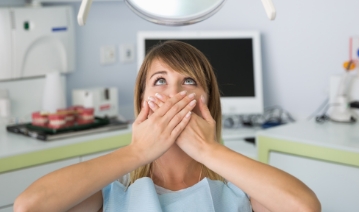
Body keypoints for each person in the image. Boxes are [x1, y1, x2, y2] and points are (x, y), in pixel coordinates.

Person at [14, 41, 321, 212]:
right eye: (160, 80)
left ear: (207, 101)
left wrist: (209, 150)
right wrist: (137, 152)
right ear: (142, 100)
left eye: (189, 81)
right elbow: (29, 206)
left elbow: (304, 207)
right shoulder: (113, 193)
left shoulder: (238, 192)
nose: (174, 94)